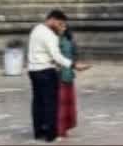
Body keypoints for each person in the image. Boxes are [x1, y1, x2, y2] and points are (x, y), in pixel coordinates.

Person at [27, 10, 86, 142]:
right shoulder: (50, 35)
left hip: (33, 70)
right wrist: (73, 65)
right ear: (52, 19)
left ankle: (38, 132)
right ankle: (50, 135)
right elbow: (57, 56)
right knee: (50, 103)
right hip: (46, 70)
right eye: (60, 23)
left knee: (38, 102)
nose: (61, 26)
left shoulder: (36, 29)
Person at [56, 23, 88, 140]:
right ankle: (59, 129)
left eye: (64, 27)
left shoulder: (70, 40)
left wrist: (77, 65)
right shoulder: (54, 40)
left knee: (67, 103)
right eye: (60, 26)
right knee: (60, 104)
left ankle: (65, 127)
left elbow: (74, 56)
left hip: (68, 74)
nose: (62, 29)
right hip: (58, 76)